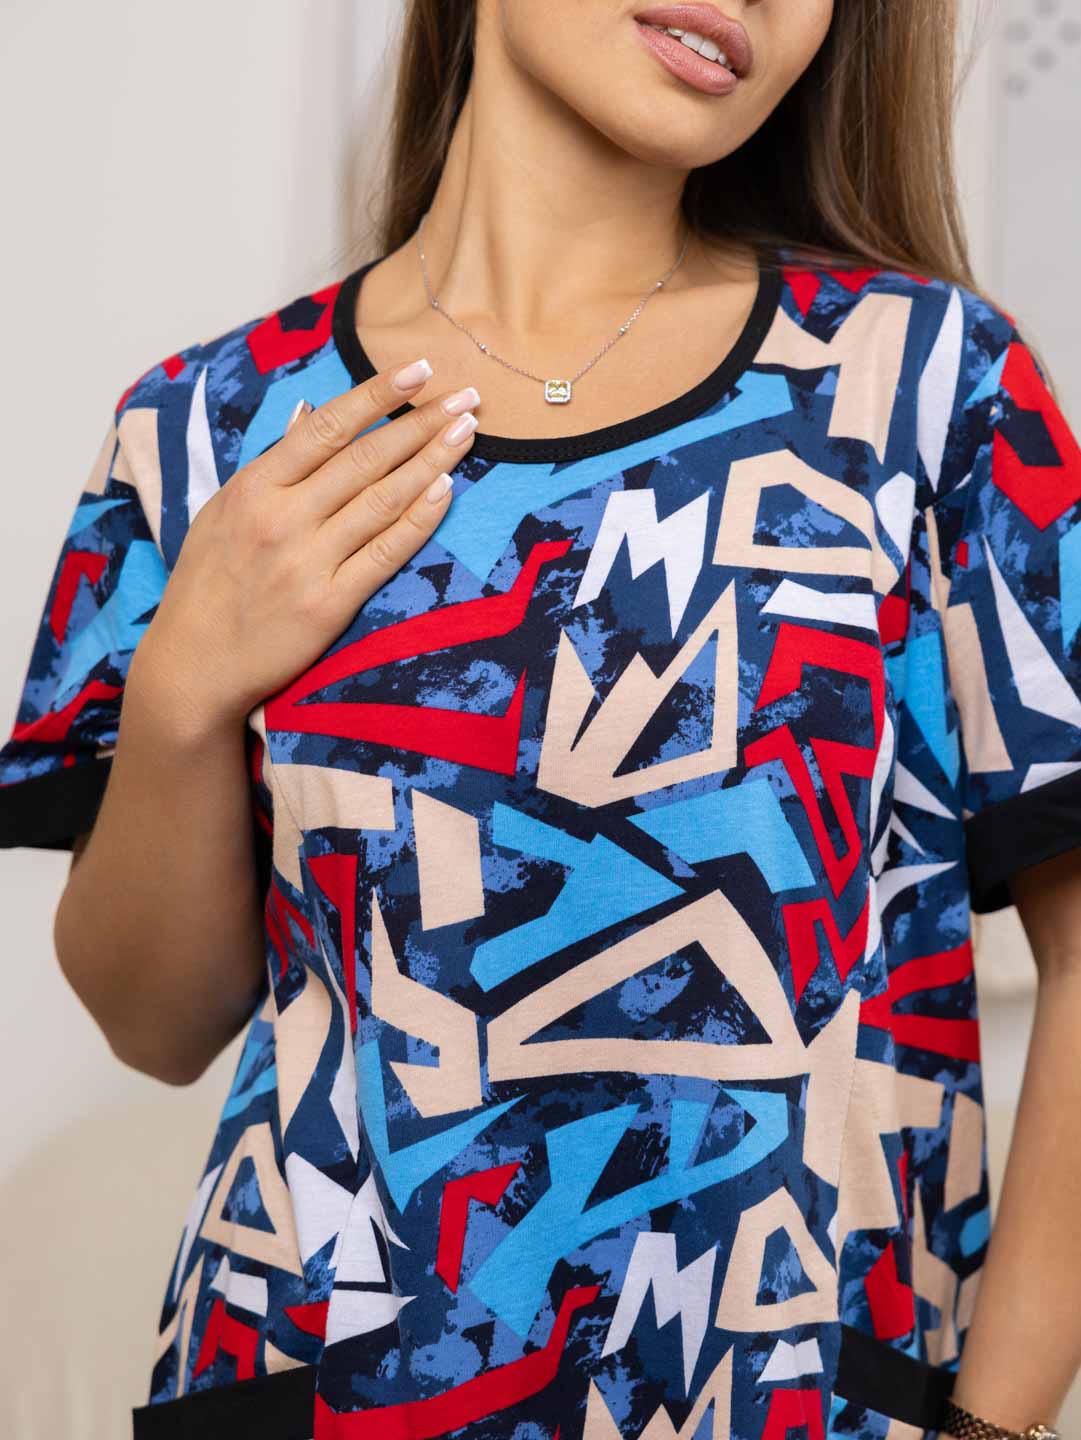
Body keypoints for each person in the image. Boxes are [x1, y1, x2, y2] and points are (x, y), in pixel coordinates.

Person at [2, 1, 1081, 1437]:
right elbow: (155, 1022)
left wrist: (993, 1427)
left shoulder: (927, 389)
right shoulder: (205, 424)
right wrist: (184, 690)